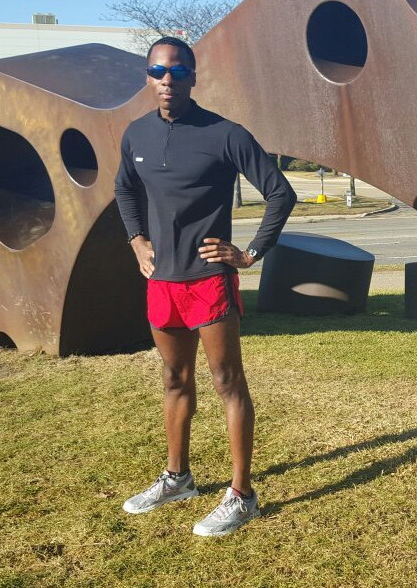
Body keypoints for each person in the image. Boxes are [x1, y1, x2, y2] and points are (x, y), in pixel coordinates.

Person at [114, 36, 296, 536]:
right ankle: (178, 478)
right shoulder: (136, 135)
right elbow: (124, 189)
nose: (166, 80)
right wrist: (136, 240)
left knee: (226, 383)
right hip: (163, 281)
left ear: (193, 76)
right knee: (175, 380)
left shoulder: (224, 134)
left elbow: (280, 192)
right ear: (148, 77)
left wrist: (249, 254)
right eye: (156, 71)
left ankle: (242, 495)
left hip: (210, 281)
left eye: (176, 71)